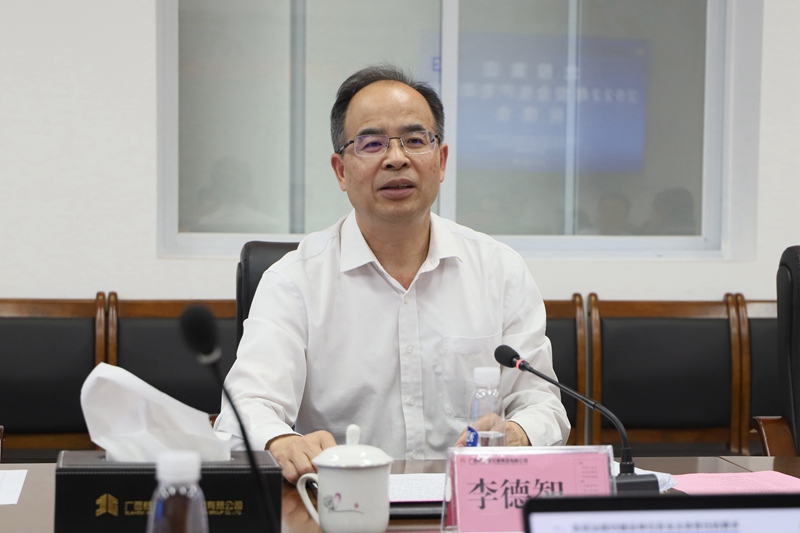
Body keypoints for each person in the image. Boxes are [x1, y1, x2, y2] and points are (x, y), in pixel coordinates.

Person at [214, 65, 569, 483]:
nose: (397, 159)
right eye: (371, 144)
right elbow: (245, 409)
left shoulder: (499, 270)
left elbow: (543, 404)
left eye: (415, 141)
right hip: (340, 504)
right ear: (341, 170)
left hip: (468, 503)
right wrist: (281, 441)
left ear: (441, 161)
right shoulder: (294, 282)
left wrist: (518, 432)